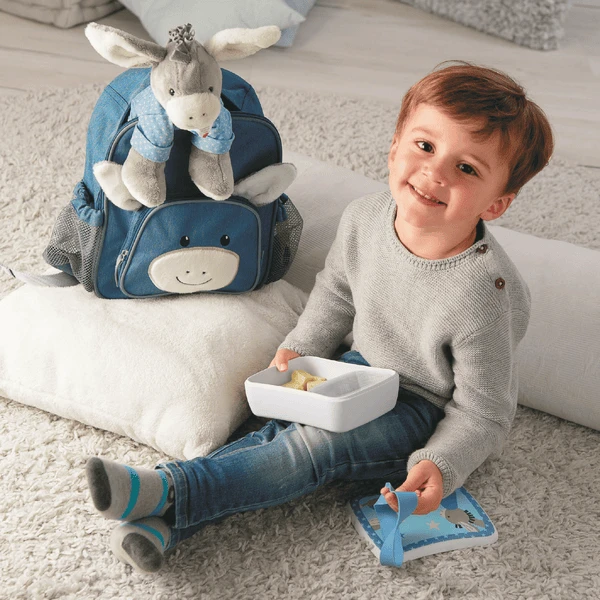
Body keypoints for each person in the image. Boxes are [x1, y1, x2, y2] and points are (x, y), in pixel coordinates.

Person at [84, 62, 554, 573]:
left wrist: (440, 463)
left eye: (467, 169)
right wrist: (302, 346)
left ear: (497, 203)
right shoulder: (365, 218)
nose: (435, 173)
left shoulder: (485, 294)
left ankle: (169, 485)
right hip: (355, 372)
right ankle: (165, 525)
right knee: (266, 424)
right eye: (425, 146)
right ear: (395, 146)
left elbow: (485, 414)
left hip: (419, 412)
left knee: (313, 447)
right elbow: (337, 294)